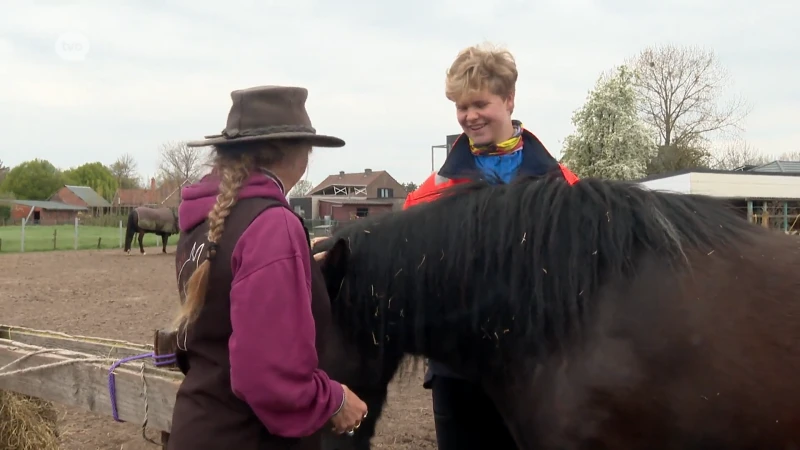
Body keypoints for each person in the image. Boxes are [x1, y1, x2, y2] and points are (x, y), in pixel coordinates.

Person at [167, 85, 368, 450]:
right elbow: (268, 374)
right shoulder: (273, 224)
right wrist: (333, 399)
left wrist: (299, 267)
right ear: (298, 153)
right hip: (251, 439)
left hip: (200, 424)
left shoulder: (203, 219)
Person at [404, 44, 580, 449]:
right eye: (461, 107)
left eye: (479, 103)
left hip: (544, 371)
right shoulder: (429, 198)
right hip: (460, 377)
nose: (469, 116)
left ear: (509, 99)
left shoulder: (566, 188)